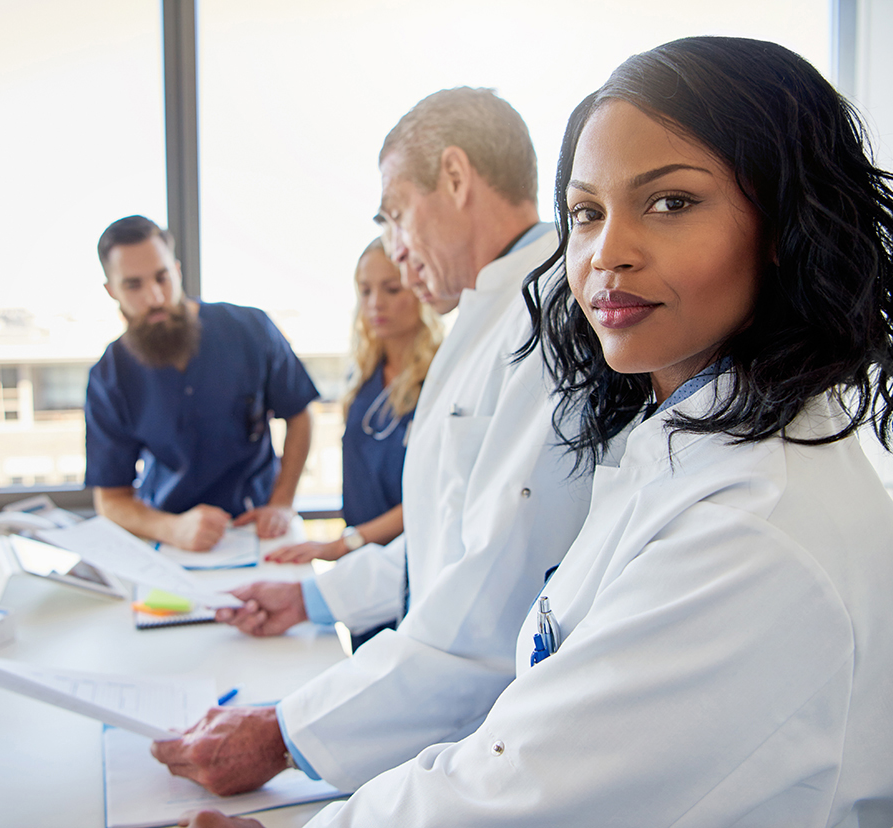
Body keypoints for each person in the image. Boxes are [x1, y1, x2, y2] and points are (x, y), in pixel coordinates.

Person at [172, 36, 893, 828]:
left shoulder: (746, 525)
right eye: (586, 213)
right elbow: (462, 544)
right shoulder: (673, 431)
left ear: (784, 223)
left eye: (671, 202)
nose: (607, 253)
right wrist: (316, 593)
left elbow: (521, 763)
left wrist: (293, 754)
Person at [151, 88, 597, 795]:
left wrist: (282, 734)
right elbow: (446, 546)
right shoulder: (488, 317)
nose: (395, 248)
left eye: (394, 214)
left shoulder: (549, 329)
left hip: (492, 752)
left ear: (455, 178)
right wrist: (310, 600)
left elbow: (487, 614)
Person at [84, 215, 318, 551]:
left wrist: (282, 501)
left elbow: (300, 415)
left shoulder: (250, 329)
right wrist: (171, 529)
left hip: (257, 526)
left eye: (162, 278)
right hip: (170, 535)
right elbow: (110, 500)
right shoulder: (110, 376)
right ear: (112, 291)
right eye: (133, 285)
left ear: (177, 271)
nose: (154, 297)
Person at [264, 239, 442, 565]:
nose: (375, 304)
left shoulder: (442, 377)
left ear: (419, 288)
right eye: (365, 291)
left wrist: (346, 543)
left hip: (411, 559)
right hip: (360, 557)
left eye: (391, 289)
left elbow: (433, 494)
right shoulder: (363, 378)